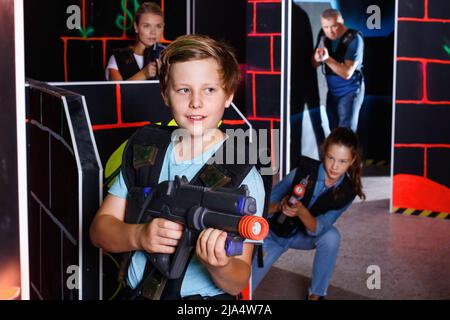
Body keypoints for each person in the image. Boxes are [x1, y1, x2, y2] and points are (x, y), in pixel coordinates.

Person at [90, 34, 266, 300]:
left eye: (209, 89)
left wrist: (220, 265)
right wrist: (139, 236)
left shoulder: (243, 173)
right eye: (183, 89)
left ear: (228, 95)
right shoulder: (144, 149)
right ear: (165, 94)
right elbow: (99, 231)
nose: (196, 102)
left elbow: (237, 281)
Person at [252, 127, 365, 300]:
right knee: (241, 287)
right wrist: (280, 207)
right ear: (324, 152)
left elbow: (317, 229)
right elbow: (262, 208)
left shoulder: (348, 192)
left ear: (352, 160)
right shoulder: (302, 171)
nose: (335, 166)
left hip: (303, 236)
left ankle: (316, 294)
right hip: (273, 234)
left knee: (331, 237)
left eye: (342, 161)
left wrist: (301, 211)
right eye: (331, 158)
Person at [312, 9, 365, 132]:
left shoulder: (354, 38)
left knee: (345, 132)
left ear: (342, 22)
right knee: (333, 130)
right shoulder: (323, 34)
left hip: (350, 90)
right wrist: (316, 58)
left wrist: (326, 59)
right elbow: (314, 64)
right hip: (333, 91)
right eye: (326, 27)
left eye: (334, 26)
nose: (330, 31)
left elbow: (347, 73)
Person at [105, 2, 165, 81]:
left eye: (158, 26)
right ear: (136, 27)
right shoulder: (118, 58)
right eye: (146, 26)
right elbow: (117, 91)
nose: (153, 32)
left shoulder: (169, 58)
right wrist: (143, 74)